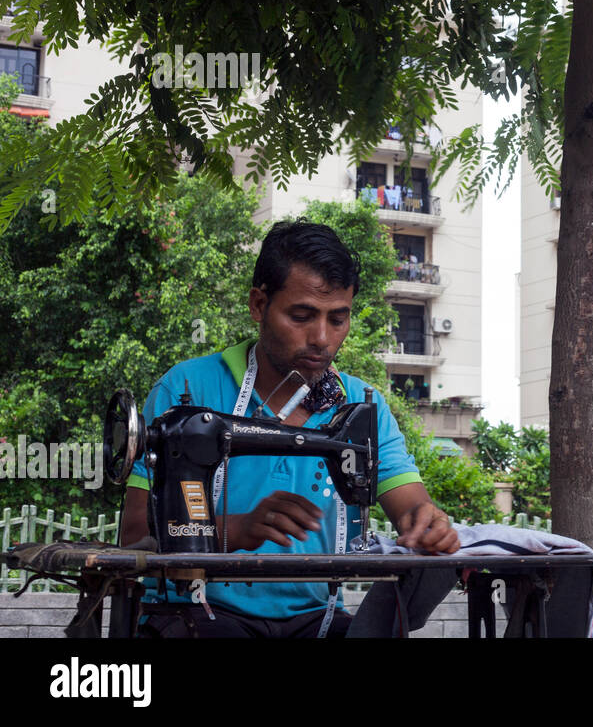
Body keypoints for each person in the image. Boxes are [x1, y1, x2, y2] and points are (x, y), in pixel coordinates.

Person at [119, 220, 459, 637]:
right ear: (259, 305)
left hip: (315, 621)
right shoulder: (187, 388)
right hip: (197, 611)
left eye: (338, 319)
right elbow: (134, 536)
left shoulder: (361, 404)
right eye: (302, 316)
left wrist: (428, 524)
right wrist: (231, 531)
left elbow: (413, 510)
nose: (321, 338)